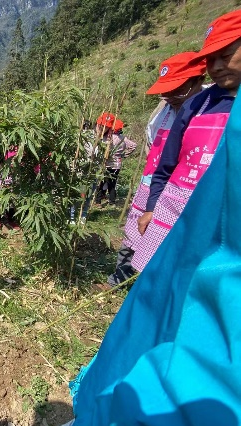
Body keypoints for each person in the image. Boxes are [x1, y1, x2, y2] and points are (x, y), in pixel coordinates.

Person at [47, 63, 241, 426]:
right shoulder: (197, 105)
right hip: (182, 205)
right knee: (152, 280)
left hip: (210, 228)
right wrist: (155, 200)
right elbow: (167, 157)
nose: (168, 97)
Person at [132, 9, 241, 273]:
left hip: (225, 227)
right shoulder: (197, 105)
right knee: (159, 283)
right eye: (209, 60)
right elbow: (165, 166)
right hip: (174, 212)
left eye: (225, 56)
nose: (216, 67)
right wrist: (152, 207)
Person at [106, 52, 206, 287]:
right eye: (166, 90)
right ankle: (119, 279)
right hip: (152, 184)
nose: (169, 96)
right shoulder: (161, 111)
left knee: (169, 245)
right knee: (133, 234)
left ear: (198, 81)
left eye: (176, 90)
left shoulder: (209, 109)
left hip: (182, 192)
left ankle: (151, 289)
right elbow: (154, 147)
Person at [94, 113, 136, 205]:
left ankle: (98, 201)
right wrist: (124, 155)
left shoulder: (107, 138)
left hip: (107, 163)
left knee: (103, 182)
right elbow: (133, 145)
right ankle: (112, 202)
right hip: (117, 164)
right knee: (112, 184)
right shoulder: (122, 138)